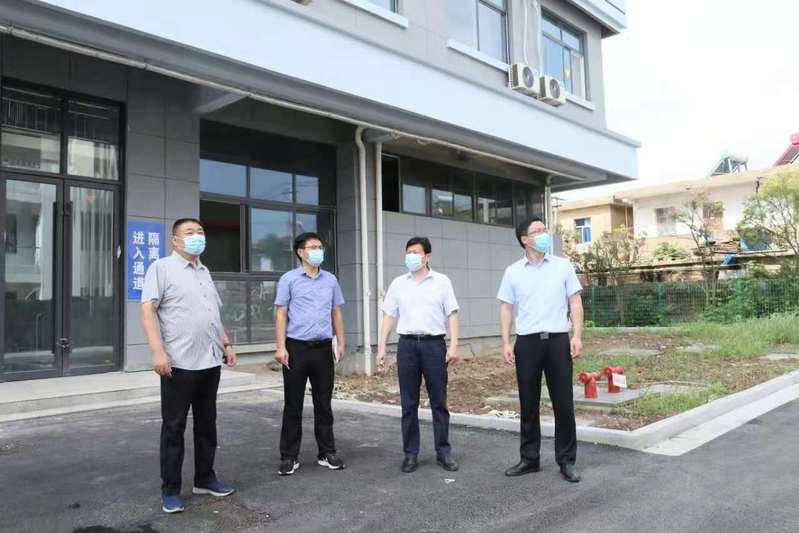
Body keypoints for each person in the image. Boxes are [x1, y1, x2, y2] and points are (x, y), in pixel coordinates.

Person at [140, 218, 238, 514]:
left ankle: (205, 479)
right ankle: (170, 489)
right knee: (174, 428)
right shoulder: (161, 268)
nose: (197, 236)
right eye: (190, 232)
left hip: (210, 360)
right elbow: (147, 309)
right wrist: (158, 352)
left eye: (200, 232)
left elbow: (212, 313)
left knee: (207, 424)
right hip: (178, 363)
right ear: (175, 240)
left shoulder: (204, 271)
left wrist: (227, 344)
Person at [496, 217, 584, 483]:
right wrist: (505, 342)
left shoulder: (563, 266)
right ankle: (529, 458)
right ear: (525, 239)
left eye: (545, 229)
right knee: (528, 402)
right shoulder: (513, 272)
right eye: (538, 231)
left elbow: (575, 301)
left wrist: (577, 335)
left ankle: (566, 461)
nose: (544, 234)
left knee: (563, 403)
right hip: (527, 343)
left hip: (557, 340)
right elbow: (506, 307)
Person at [377, 237, 460, 474]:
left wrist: (454, 345)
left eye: (415, 252)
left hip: (434, 346)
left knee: (439, 401)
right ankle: (410, 454)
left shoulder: (442, 282)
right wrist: (381, 346)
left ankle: (443, 452)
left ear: (427, 257)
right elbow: (389, 316)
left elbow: (452, 313)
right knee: (408, 402)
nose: (411, 256)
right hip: (407, 346)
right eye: (408, 252)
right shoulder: (398, 284)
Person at [274, 232, 346, 476]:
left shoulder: (330, 280)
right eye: (313, 247)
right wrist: (280, 346)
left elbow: (336, 312)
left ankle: (327, 452)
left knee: (323, 403)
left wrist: (341, 342)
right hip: (296, 348)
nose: (318, 251)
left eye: (320, 247)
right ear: (300, 252)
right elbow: (281, 313)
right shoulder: (289, 279)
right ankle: (289, 456)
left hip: (323, 349)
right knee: (293, 404)